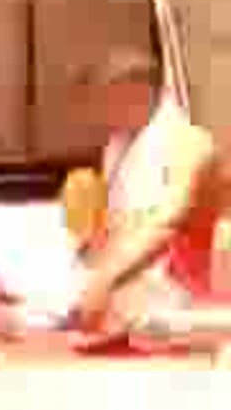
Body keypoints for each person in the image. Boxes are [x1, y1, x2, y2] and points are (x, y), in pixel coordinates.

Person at [63, 48, 227, 335]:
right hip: (125, 285)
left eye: (99, 103)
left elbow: (165, 225)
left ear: (132, 93)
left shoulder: (189, 143)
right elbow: (115, 226)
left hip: (178, 299)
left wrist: (105, 281)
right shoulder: (117, 146)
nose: (93, 116)